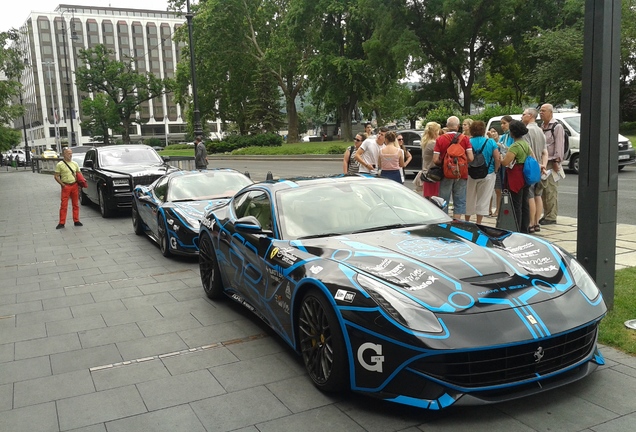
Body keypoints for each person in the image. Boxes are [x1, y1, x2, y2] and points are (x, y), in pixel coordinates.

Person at [433, 116, 474, 219]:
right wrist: (462, 164)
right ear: (458, 126)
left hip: (446, 172)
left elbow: (435, 159)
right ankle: (457, 222)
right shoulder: (465, 139)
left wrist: (444, 163)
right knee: (459, 200)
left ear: (447, 126)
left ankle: (444, 222)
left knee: (443, 199)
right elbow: (471, 157)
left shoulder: (440, 139)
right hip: (461, 173)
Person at [501, 120, 533, 233]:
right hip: (525, 176)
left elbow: (505, 162)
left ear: (513, 132)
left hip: (516, 177)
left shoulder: (515, 146)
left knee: (516, 205)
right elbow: (532, 157)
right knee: (525, 204)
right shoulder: (525, 144)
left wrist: (501, 158)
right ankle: (525, 229)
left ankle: (517, 229)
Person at [465, 121, 500, 224]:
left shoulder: (467, 141)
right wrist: (496, 170)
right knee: (483, 198)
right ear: (483, 130)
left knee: (469, 197)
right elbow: (497, 158)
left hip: (470, 173)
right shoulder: (491, 142)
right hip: (488, 173)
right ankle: (478, 222)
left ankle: (467, 220)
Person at [537, 103, 565, 225]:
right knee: (543, 190)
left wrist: (557, 161)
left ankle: (551, 216)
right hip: (543, 162)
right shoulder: (542, 126)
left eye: (543, 111)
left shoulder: (557, 127)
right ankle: (546, 214)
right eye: (540, 111)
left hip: (551, 162)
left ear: (550, 112)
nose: (541, 113)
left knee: (551, 190)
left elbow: (559, 145)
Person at [521, 108, 548, 233]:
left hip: (531, 167)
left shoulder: (527, 131)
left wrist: (536, 164)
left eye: (524, 114)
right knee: (538, 195)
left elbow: (528, 151)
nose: (522, 116)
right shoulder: (540, 131)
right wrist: (543, 165)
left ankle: (530, 223)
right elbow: (545, 151)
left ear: (530, 115)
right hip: (540, 166)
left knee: (530, 196)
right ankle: (537, 222)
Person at [54, 147, 82, 229]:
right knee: (64, 205)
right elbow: (56, 176)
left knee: (76, 204)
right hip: (66, 186)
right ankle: (61, 223)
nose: (70, 155)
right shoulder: (60, 164)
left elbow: (79, 174)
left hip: (74, 185)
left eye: (71, 153)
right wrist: (62, 185)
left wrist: (80, 183)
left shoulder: (75, 164)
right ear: (64, 154)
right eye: (68, 153)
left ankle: (76, 220)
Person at [493, 115, 515, 217]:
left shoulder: (512, 135)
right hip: (502, 163)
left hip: (509, 164)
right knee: (502, 187)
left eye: (504, 123)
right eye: (501, 123)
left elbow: (510, 148)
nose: (502, 125)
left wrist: (501, 146)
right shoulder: (504, 135)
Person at [421, 121, 441, 198]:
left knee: (428, 197)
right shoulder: (433, 143)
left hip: (427, 171)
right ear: (435, 132)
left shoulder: (426, 142)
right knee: (433, 198)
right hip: (433, 173)